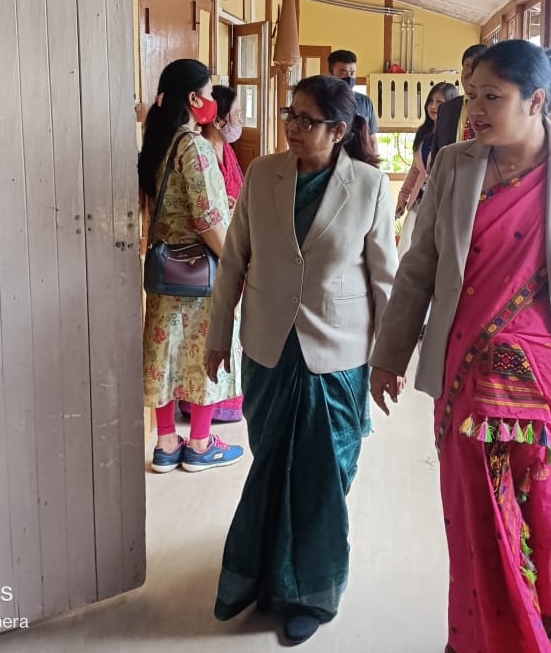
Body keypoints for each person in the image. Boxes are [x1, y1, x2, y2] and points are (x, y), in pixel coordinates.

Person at [368, 40, 551, 652]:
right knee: (481, 525)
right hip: (469, 380)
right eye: (471, 93)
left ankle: (543, 608)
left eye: (490, 97)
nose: (473, 108)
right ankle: (481, 637)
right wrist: (390, 355)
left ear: (536, 101)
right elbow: (419, 268)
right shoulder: (453, 164)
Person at [205, 75, 398, 645]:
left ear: (339, 131)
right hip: (267, 346)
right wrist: (218, 335)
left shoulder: (367, 185)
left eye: (308, 120)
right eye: (291, 114)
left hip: (337, 354)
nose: (293, 126)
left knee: (321, 476)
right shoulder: (264, 174)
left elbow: (384, 277)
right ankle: (262, 578)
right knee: (270, 466)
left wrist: (389, 357)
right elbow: (235, 259)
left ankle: (309, 591)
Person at [138, 60, 243, 473]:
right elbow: (207, 220)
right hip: (200, 269)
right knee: (206, 352)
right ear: (194, 98)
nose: (215, 100)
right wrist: (236, 264)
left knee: (164, 351)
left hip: (164, 268)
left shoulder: (157, 144)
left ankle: (166, 444)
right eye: (210, 91)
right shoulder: (194, 147)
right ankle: (200, 444)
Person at [181, 84, 245, 425]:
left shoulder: (227, 152)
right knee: (205, 336)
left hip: (230, 241)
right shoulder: (199, 151)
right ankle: (201, 418)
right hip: (208, 255)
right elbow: (204, 213)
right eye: (235, 116)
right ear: (218, 120)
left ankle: (226, 403)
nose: (239, 123)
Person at [395, 82, 458, 258]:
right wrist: (403, 196)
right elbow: (416, 169)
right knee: (406, 248)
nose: (433, 106)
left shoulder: (454, 135)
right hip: (418, 200)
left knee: (431, 253)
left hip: (441, 202)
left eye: (439, 102)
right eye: (431, 101)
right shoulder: (424, 132)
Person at [431, 44, 486, 163]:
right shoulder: (446, 109)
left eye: (476, 65)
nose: (470, 71)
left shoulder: (493, 108)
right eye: (466, 65)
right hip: (448, 178)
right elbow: (437, 155)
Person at [328, 49, 379, 155]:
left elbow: (372, 139)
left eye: (352, 73)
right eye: (343, 73)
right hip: (332, 163)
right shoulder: (323, 101)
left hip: (360, 163)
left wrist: (375, 167)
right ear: (331, 74)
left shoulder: (365, 102)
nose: (349, 77)